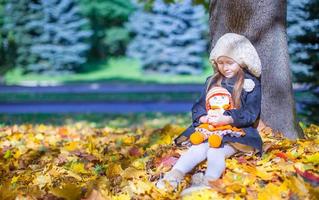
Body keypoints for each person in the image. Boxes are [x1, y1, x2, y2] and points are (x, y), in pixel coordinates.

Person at [156, 33, 263, 195]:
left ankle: (209, 181)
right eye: (220, 63)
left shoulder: (250, 84)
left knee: (215, 149)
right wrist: (203, 117)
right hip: (209, 127)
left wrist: (227, 118)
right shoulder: (211, 81)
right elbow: (199, 106)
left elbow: (250, 113)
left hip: (236, 132)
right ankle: (174, 175)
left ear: (241, 61)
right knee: (198, 147)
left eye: (230, 63)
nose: (225, 67)